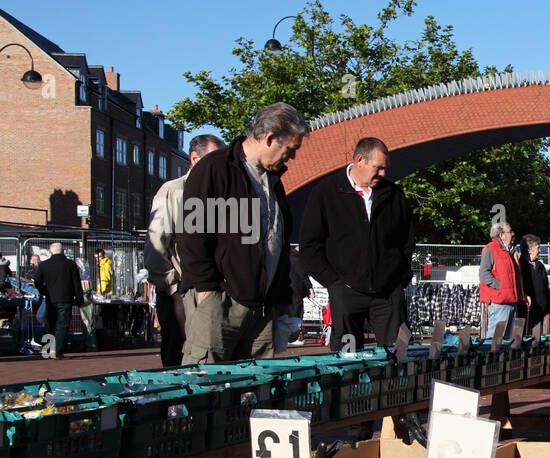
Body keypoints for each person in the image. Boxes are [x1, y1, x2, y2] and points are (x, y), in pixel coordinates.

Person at [176, 102, 309, 363]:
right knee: (208, 385)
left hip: (261, 308)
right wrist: (206, 291)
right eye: (290, 149)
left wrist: (280, 298)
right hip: (220, 303)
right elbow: (192, 235)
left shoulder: (272, 181)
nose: (291, 158)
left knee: (254, 391)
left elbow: (277, 242)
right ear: (270, 139)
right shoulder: (215, 169)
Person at [299, 137, 415, 351]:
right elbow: (309, 245)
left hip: (387, 294)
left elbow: (407, 240)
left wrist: (400, 279)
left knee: (398, 354)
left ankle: (392, 385)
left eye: (384, 168)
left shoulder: (393, 194)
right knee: (346, 358)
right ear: (360, 160)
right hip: (345, 292)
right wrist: (334, 284)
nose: (383, 174)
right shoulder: (326, 192)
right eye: (378, 168)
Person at [145, 134, 225, 366]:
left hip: (209, 287)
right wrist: (170, 284)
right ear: (194, 159)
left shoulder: (219, 192)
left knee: (208, 353)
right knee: (178, 353)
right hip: (181, 287)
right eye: (213, 160)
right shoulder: (174, 191)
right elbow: (157, 240)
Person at [35, 242, 84, 358]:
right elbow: (76, 283)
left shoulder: (44, 265)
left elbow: (37, 281)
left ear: (51, 252)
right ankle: (57, 349)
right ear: (62, 251)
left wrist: (44, 291)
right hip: (66, 298)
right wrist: (79, 298)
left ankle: (49, 349)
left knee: (51, 324)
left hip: (50, 299)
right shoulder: (70, 265)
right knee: (63, 324)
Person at [479, 219, 525, 337]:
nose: (513, 234)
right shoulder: (490, 249)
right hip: (499, 301)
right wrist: (501, 287)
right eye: (510, 232)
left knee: (508, 338)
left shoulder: (511, 251)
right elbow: (484, 274)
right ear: (501, 235)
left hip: (512, 300)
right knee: (496, 338)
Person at [518, 234, 550, 332]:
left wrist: (548, 305)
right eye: (538, 248)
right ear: (529, 250)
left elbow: (545, 287)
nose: (540, 250)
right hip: (526, 311)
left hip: (540, 310)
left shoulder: (540, 266)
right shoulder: (520, 266)